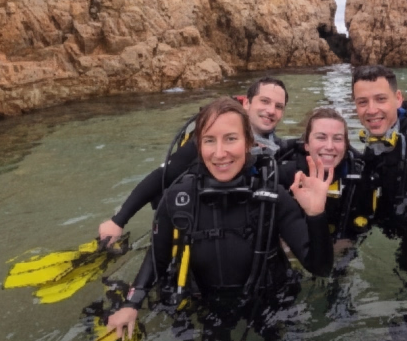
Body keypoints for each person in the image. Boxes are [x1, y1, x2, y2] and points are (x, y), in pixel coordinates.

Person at [106, 97, 333, 341]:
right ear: (198, 145)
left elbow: (320, 267)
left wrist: (316, 215)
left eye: (231, 139)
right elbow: (157, 258)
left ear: (249, 142)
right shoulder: (178, 199)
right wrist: (131, 304)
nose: (220, 153)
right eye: (209, 140)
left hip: (271, 306)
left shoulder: (273, 197)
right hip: (206, 308)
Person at [98, 77, 292, 245]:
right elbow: (162, 176)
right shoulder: (208, 143)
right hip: (194, 224)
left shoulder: (275, 146)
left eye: (278, 106)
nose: (271, 110)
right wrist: (118, 221)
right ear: (247, 103)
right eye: (264, 101)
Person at [351, 65, 407, 227]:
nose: (371, 110)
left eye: (381, 99)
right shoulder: (371, 145)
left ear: (398, 99)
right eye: (363, 102)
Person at [279, 107, 372, 241]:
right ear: (306, 144)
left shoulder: (358, 178)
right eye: (321, 137)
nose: (329, 146)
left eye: (337, 139)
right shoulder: (284, 175)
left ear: (346, 146)